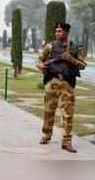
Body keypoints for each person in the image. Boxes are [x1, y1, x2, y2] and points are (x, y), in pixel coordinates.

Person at [37, 22, 86, 153]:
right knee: (48, 111)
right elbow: (39, 60)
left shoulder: (76, 47)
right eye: (56, 31)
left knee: (68, 114)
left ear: (66, 32)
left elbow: (82, 65)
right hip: (52, 81)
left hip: (67, 84)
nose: (57, 33)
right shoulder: (50, 45)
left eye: (60, 31)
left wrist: (71, 59)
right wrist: (40, 66)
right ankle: (46, 134)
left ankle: (66, 141)